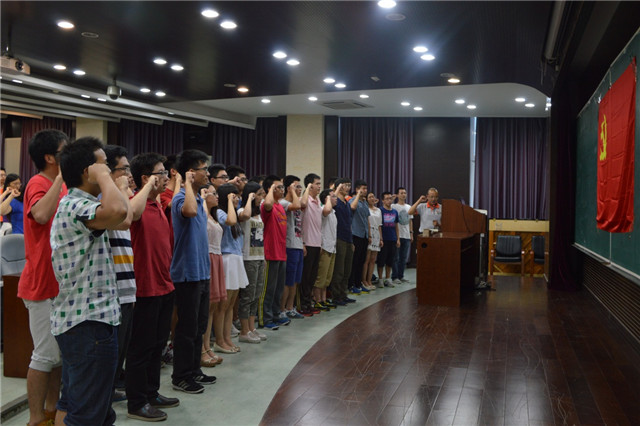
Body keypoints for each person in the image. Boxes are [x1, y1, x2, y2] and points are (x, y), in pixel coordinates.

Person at [50, 136, 129, 426]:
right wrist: (105, 177)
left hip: (83, 323)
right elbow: (119, 211)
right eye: (103, 165)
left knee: (82, 406)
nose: (108, 170)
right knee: (88, 416)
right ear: (88, 171)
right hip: (89, 324)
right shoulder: (75, 205)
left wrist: (107, 180)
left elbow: (123, 217)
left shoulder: (79, 204)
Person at [17, 129, 68, 426]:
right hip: (41, 283)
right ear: (50, 157)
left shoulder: (61, 185)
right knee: (45, 355)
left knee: (58, 356)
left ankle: (51, 410)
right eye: (64, 150)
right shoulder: (38, 183)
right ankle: (36, 419)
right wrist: (61, 178)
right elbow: (40, 215)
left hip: (60, 282)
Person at [127, 153, 180, 421]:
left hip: (164, 284)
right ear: (146, 178)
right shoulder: (136, 204)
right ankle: (137, 402)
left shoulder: (157, 205)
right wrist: (147, 187)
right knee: (142, 347)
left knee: (158, 344)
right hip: (144, 287)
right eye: (161, 173)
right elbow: (132, 214)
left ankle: (151, 393)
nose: (166, 177)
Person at [103, 145, 150, 402]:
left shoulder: (121, 195)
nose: (128, 175)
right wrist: (122, 189)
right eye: (124, 169)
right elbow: (127, 218)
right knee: (111, 350)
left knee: (121, 348)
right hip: (112, 286)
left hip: (126, 283)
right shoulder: (106, 199)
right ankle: (105, 394)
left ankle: (110, 390)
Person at [170, 149, 216, 394]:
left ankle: (194, 369)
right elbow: (187, 212)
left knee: (199, 326)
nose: (207, 173)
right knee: (186, 329)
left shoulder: (198, 198)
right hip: (187, 273)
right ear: (190, 172)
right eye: (203, 169)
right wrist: (186, 184)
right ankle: (181, 376)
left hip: (202, 271)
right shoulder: (182, 197)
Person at [214, 183, 250, 352]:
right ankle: (219, 340)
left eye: (236, 196)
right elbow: (230, 221)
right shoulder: (220, 212)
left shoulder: (233, 212)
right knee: (222, 305)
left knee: (230, 305)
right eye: (233, 196)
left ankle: (227, 338)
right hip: (226, 258)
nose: (237, 199)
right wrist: (230, 201)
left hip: (236, 258)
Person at [258, 175, 289, 330]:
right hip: (270, 253)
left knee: (278, 289)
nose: (282, 190)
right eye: (278, 187)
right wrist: (270, 189)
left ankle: (276, 315)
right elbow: (268, 203)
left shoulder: (280, 206)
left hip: (281, 253)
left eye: (282, 187)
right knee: (268, 289)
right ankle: (266, 319)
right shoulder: (266, 205)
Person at [238, 182, 268, 342]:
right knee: (247, 296)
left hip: (259, 257)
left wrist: (263, 258)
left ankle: (251, 328)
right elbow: (245, 216)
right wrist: (249, 199)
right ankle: (244, 331)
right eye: (259, 194)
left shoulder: (258, 214)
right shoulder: (242, 210)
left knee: (256, 294)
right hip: (247, 258)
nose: (262, 197)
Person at [200, 184, 226, 366]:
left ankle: (207, 345)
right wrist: (202, 198)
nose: (216, 196)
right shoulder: (202, 213)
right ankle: (201, 348)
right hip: (207, 257)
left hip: (217, 257)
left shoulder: (214, 216)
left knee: (212, 307)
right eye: (213, 193)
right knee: (205, 306)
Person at [300, 173, 331, 314]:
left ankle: (309, 303)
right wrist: (303, 243)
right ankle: (303, 305)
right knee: (306, 277)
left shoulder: (317, 201)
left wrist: (320, 244)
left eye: (319, 183)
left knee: (312, 277)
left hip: (317, 244)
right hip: (307, 242)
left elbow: (326, 212)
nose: (319, 186)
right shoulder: (305, 199)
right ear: (310, 185)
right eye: (317, 184)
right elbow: (302, 205)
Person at [279, 175, 304, 320]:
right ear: (289, 188)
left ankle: (290, 308)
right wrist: (293, 192)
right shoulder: (283, 203)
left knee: (295, 281)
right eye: (296, 186)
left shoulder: (296, 201)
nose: (299, 189)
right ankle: (281, 309)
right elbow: (297, 206)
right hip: (289, 246)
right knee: (287, 280)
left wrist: (303, 244)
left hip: (298, 244)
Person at [328, 178, 356, 305]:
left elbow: (349, 223)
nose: (348, 188)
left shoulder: (347, 203)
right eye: (345, 185)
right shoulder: (336, 202)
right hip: (339, 238)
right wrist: (337, 189)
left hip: (348, 238)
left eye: (349, 185)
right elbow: (331, 201)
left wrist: (352, 242)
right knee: (339, 270)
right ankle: (336, 296)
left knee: (347, 270)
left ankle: (344, 294)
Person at [313, 189, 338, 309]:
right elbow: (326, 211)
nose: (336, 198)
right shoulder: (323, 209)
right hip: (325, 247)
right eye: (333, 196)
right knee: (321, 277)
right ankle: (317, 299)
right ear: (326, 199)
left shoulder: (334, 212)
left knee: (327, 278)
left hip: (332, 247)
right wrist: (327, 199)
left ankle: (323, 299)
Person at [349, 179, 370, 295]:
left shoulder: (365, 203)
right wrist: (357, 195)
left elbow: (367, 219)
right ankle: (351, 284)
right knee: (354, 261)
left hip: (364, 235)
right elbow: (352, 208)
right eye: (362, 188)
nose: (365, 191)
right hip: (355, 234)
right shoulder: (353, 201)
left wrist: (369, 234)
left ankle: (358, 283)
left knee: (362, 261)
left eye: (366, 188)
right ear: (357, 189)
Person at [377, 192, 400, 287]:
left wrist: (398, 239)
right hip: (384, 239)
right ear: (383, 200)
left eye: (390, 198)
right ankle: (380, 279)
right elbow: (379, 225)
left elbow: (396, 226)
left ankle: (388, 278)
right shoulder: (380, 211)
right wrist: (380, 238)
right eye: (387, 199)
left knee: (390, 260)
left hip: (392, 238)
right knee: (381, 260)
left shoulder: (395, 212)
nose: (389, 200)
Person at [391, 187, 413, 284]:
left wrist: (411, 233)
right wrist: (392, 199)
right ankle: (394, 276)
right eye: (401, 193)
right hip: (397, 235)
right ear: (397, 195)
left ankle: (401, 275)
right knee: (396, 257)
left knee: (403, 257)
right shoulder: (394, 206)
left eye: (405, 193)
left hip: (406, 235)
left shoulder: (409, 207)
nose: (403, 195)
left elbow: (410, 220)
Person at [364, 192, 382, 289]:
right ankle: (364, 280)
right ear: (366, 199)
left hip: (377, 234)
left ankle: (369, 280)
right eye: (370, 197)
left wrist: (381, 238)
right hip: (369, 233)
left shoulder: (378, 210)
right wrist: (369, 235)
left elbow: (379, 225)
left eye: (373, 196)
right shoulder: (366, 209)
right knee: (366, 259)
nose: (372, 198)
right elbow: (366, 222)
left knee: (373, 260)